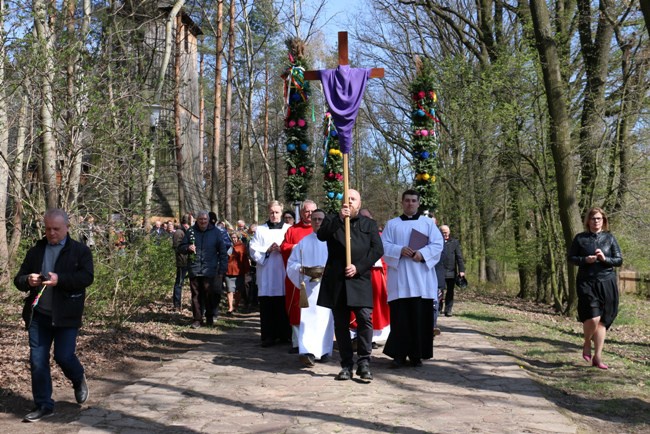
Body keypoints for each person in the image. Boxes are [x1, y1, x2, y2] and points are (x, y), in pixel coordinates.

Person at [14, 209, 94, 422]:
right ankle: (43, 405)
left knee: (63, 356)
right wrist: (27, 280)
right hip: (39, 315)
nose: (51, 233)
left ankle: (78, 379)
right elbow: (18, 279)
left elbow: (87, 277)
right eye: (48, 229)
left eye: (56, 229)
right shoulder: (36, 251)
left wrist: (61, 280)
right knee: (38, 360)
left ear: (67, 227)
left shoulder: (80, 251)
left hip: (67, 315)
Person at [317, 189, 383, 381]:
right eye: (347, 200)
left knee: (364, 319)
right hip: (338, 281)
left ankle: (364, 362)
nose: (350, 203)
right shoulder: (332, 220)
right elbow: (321, 235)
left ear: (359, 204)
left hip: (359, 279)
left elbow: (377, 249)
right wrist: (338, 218)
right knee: (341, 324)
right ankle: (346, 364)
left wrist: (359, 267)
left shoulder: (369, 224)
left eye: (353, 199)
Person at [381, 190, 444, 368]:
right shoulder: (392, 224)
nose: (410, 203)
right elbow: (383, 245)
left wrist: (422, 254)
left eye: (413, 201)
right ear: (402, 202)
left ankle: (417, 355)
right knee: (400, 320)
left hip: (421, 280)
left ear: (418, 203)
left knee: (419, 319)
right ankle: (399, 355)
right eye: (407, 200)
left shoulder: (428, 224)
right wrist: (399, 250)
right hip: (400, 279)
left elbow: (438, 244)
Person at [568, 207, 622, 370]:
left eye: (599, 218)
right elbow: (571, 258)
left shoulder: (610, 238)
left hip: (607, 281)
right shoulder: (580, 238)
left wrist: (605, 259)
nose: (596, 221)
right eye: (593, 219)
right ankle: (586, 343)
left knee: (603, 321)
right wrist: (585, 259)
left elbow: (618, 260)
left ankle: (597, 357)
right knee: (593, 317)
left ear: (603, 221)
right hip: (587, 281)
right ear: (588, 221)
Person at [286, 209, 334, 367]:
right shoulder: (304, 242)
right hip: (309, 285)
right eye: (315, 219)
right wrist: (300, 269)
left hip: (327, 285)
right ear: (310, 221)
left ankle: (325, 350)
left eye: (321, 219)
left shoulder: (332, 241)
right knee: (308, 319)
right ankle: (307, 351)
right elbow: (291, 263)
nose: (318, 222)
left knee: (325, 318)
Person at [249, 201, 292, 347]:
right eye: (272, 212)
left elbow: (295, 247)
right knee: (267, 306)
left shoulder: (289, 229)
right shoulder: (261, 230)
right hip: (266, 272)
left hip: (283, 271)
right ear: (268, 212)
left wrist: (283, 250)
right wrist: (267, 250)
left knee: (283, 304)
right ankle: (268, 336)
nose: (274, 215)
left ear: (281, 212)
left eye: (277, 212)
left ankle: (285, 335)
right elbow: (253, 249)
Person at [178, 211, 228, 328]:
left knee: (209, 293)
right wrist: (187, 247)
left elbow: (223, 252)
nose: (203, 222)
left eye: (205, 219)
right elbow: (180, 248)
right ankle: (197, 319)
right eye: (200, 219)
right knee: (196, 294)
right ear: (197, 220)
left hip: (210, 269)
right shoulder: (191, 231)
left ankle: (210, 316)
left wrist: (222, 269)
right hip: (194, 268)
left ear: (208, 220)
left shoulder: (215, 232)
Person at [280, 199, 318, 353]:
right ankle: (297, 343)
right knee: (297, 309)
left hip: (316, 277)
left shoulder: (321, 231)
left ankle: (315, 343)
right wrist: (296, 247)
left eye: (312, 211)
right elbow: (284, 247)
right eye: (306, 211)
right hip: (298, 277)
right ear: (301, 212)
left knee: (316, 310)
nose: (309, 214)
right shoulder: (292, 230)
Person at [439, 224, 465, 316]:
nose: (445, 234)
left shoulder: (455, 242)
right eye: (443, 232)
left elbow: (459, 257)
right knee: (439, 291)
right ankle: (438, 308)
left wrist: (461, 270)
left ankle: (448, 310)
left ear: (449, 232)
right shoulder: (436, 241)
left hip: (451, 271)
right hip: (440, 271)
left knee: (450, 291)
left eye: (446, 232)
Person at [224, 231, 250, 315]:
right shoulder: (227, 245)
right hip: (228, 270)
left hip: (238, 271)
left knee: (238, 290)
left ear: (238, 238)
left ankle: (236, 305)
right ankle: (230, 307)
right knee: (229, 289)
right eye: (232, 237)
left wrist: (246, 270)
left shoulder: (241, 246)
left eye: (235, 237)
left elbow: (244, 259)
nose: (233, 239)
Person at [171, 214, 191, 310]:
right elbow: (176, 247)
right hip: (182, 261)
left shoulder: (186, 231)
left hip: (189, 260)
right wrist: (187, 248)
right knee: (179, 283)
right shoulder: (179, 232)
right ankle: (177, 304)